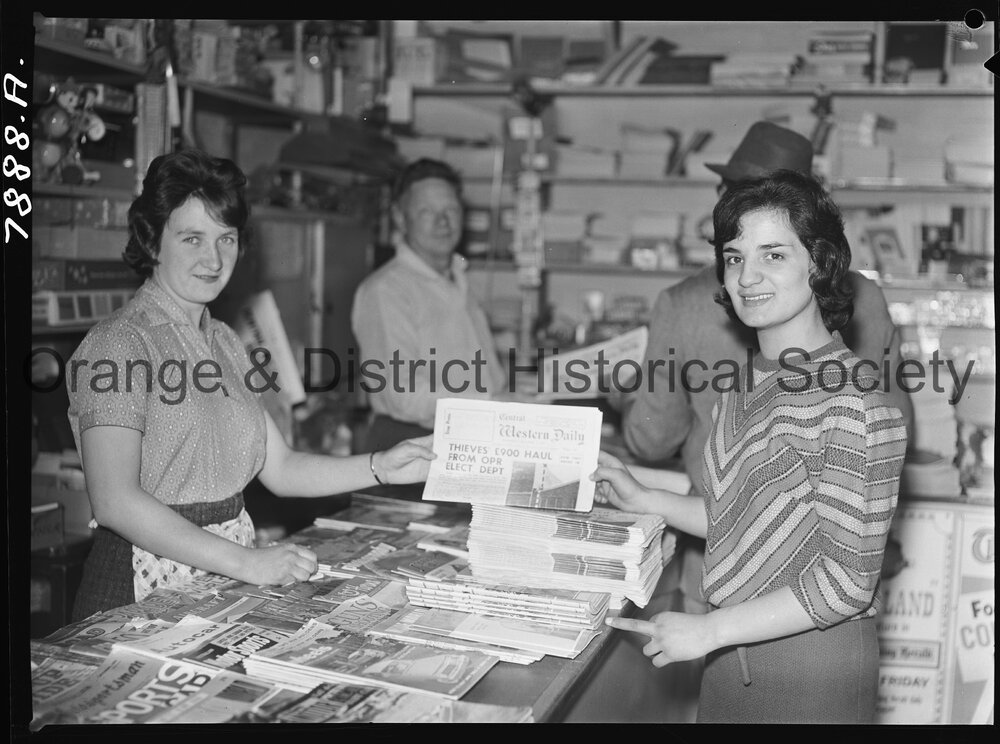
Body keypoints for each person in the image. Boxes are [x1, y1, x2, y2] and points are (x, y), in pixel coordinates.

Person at [66, 149, 436, 621]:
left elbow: (280, 468)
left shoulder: (224, 342)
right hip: (141, 584)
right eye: (192, 238)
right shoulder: (118, 344)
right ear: (153, 241)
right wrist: (248, 562)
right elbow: (116, 500)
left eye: (227, 239)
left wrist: (381, 466)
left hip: (224, 577)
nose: (214, 258)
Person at [594, 169, 908, 723]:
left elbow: (847, 581)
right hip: (729, 659)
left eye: (774, 256)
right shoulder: (747, 383)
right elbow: (742, 519)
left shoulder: (856, 402)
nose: (747, 276)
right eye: (735, 257)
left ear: (821, 263)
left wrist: (708, 630)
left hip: (811, 672)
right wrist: (646, 498)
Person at [621, 121, 914, 617]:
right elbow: (897, 421)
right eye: (735, 258)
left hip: (725, 569)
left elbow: (651, 438)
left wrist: (622, 399)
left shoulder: (683, 302)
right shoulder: (866, 296)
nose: (748, 276)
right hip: (825, 551)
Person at [351, 157, 509, 451]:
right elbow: (404, 397)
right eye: (427, 211)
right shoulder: (386, 291)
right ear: (400, 217)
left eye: (451, 209)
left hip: (470, 438)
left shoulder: (457, 279)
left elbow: (486, 379)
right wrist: (492, 403)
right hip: (411, 448)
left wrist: (515, 395)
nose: (443, 222)